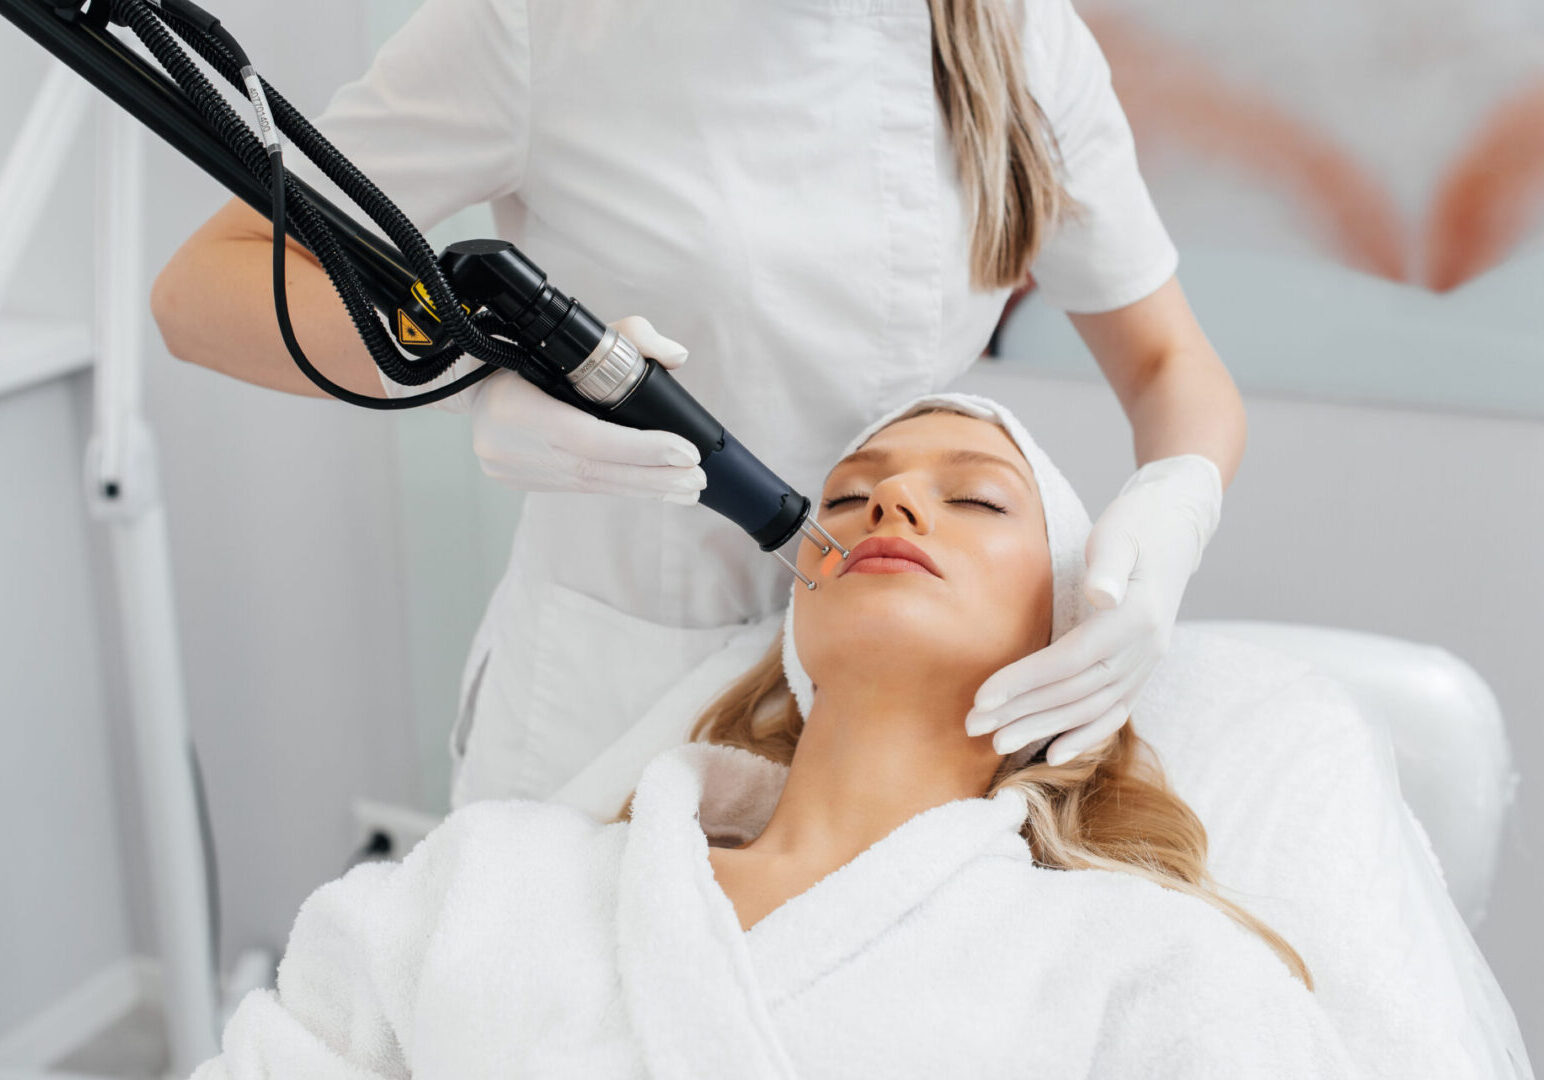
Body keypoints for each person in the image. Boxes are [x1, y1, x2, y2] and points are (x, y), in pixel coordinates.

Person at [150, 0, 1243, 810]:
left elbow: (1166, 366)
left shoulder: (1014, 34)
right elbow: (205, 289)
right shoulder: (536, 26)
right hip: (617, 689)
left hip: (898, 715)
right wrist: (466, 376)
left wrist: (1174, 509)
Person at [190, 395, 1357, 1079]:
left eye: (976, 497)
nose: (888, 508)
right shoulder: (495, 877)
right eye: (847, 497)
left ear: (1072, 632)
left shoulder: (1146, 965)